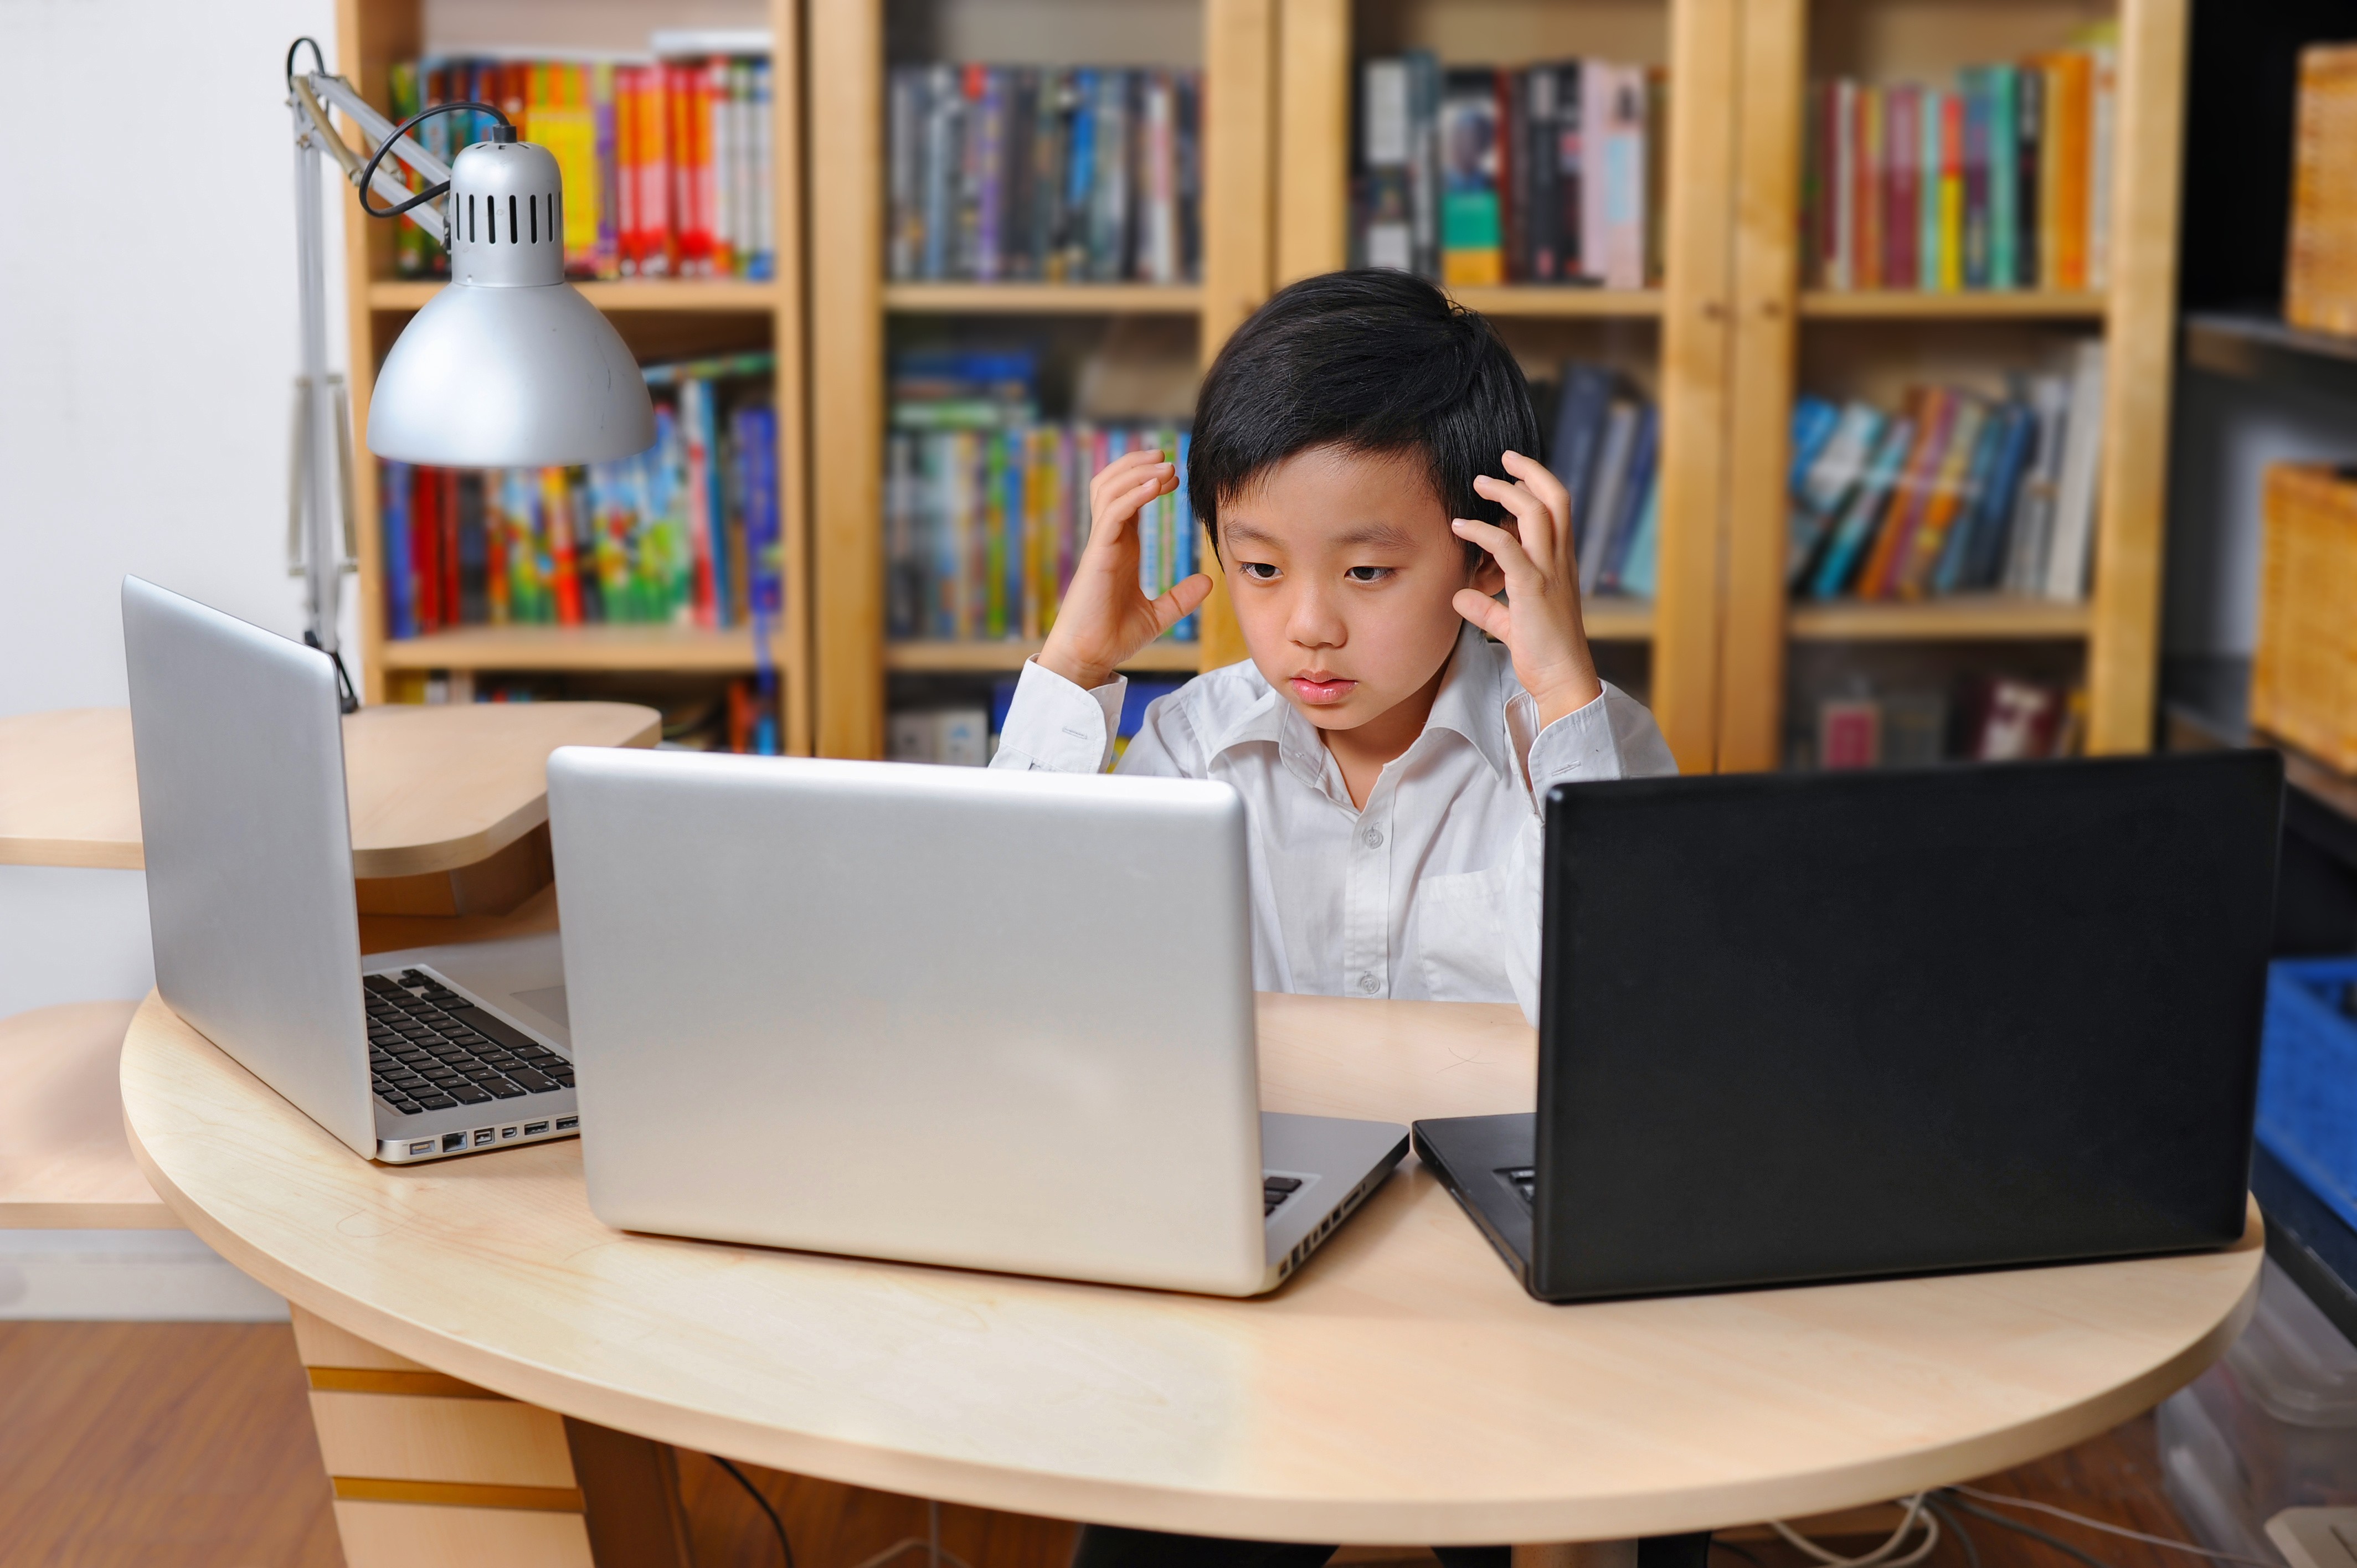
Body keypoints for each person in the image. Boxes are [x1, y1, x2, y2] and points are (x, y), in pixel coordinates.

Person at [991, 269, 1676, 1567]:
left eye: (1366, 569)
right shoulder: (1194, 748)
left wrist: (1562, 698)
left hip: (1508, 1286)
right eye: (1256, 567)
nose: (1305, 625)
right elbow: (1005, 964)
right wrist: (1076, 675)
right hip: (1257, 1264)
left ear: (1485, 554)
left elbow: (1655, 1022)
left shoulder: (1579, 747)